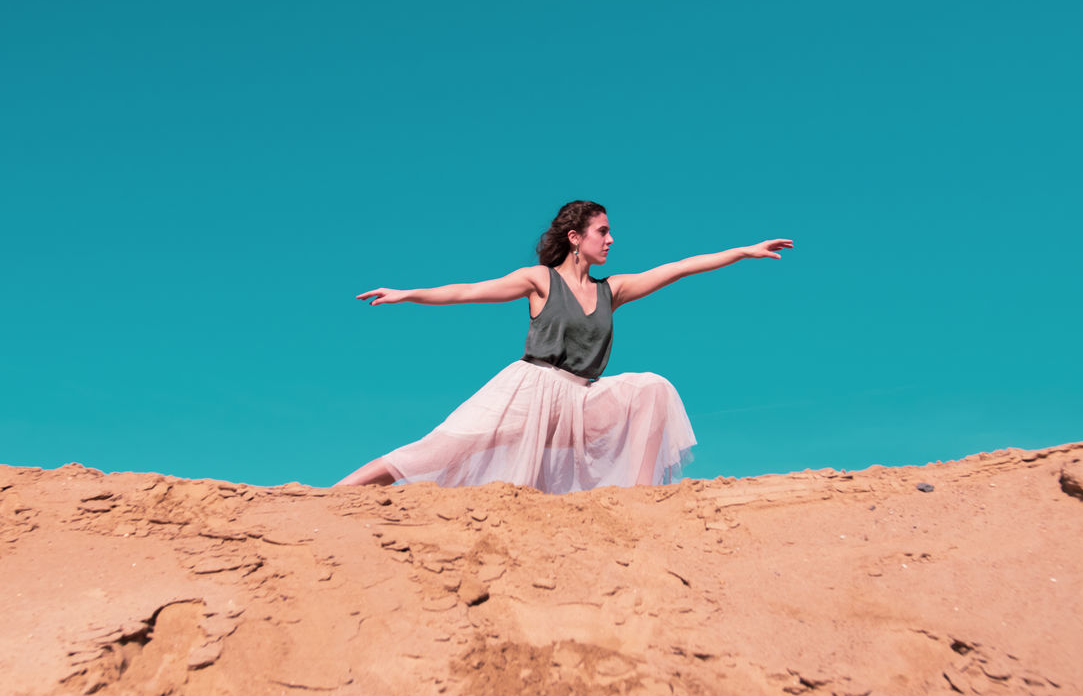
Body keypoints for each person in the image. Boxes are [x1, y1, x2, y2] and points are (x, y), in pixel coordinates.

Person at [336, 200, 793, 491]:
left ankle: (641, 499)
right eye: (603, 232)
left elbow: (679, 268)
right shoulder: (540, 281)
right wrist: (406, 294)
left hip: (581, 399)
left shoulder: (613, 289)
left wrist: (742, 251)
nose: (611, 240)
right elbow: (468, 290)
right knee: (440, 449)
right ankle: (334, 495)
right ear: (576, 239)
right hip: (528, 390)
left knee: (653, 388)